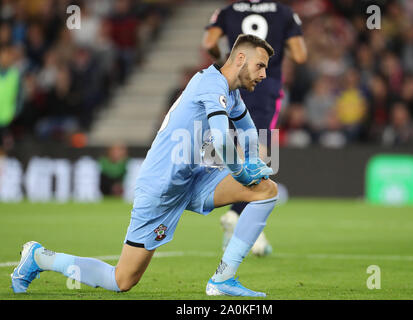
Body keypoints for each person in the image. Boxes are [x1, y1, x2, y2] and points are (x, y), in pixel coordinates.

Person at [11, 34, 278, 297]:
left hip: (193, 178)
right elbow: (220, 141)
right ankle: (40, 257)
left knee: (265, 189)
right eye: (261, 65)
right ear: (240, 58)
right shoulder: (212, 85)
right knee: (122, 280)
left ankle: (223, 279)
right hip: (161, 185)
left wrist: (254, 158)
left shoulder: (230, 93)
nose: (264, 74)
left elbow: (248, 130)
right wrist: (243, 171)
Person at [202, 0, 307, 255]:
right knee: (258, 149)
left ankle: (239, 216)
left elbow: (209, 43)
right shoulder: (284, 13)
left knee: (239, 147)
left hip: (234, 84)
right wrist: (277, 46)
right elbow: (301, 55)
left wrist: (220, 57)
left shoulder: (228, 11)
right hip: (265, 85)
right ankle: (240, 215)